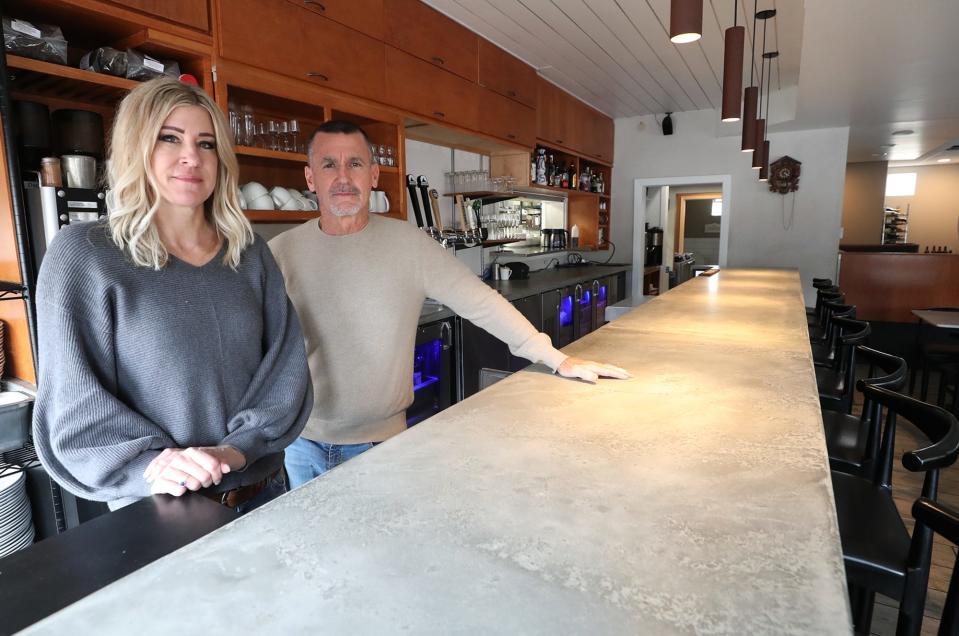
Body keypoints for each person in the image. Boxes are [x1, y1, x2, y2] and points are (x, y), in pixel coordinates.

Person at [269, 120, 630, 489]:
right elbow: (253, 345)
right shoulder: (280, 253)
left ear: (374, 175)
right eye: (329, 164)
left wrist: (556, 357)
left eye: (355, 164)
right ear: (310, 178)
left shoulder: (409, 245)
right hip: (303, 446)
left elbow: (481, 303)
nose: (343, 177)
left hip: (383, 446)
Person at [32, 77, 313, 512]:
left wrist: (234, 451)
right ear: (135, 148)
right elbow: (74, 402)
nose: (191, 157)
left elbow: (285, 367)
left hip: (266, 493)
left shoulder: (250, 253)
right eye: (169, 138)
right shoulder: (85, 256)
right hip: (158, 509)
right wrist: (156, 464)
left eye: (206, 144)